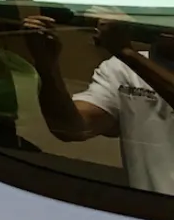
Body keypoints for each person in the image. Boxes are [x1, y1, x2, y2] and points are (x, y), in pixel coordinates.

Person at [24, 16, 174, 193]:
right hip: (149, 215)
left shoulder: (130, 60)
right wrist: (47, 67)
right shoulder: (123, 69)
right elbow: (70, 128)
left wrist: (127, 52)